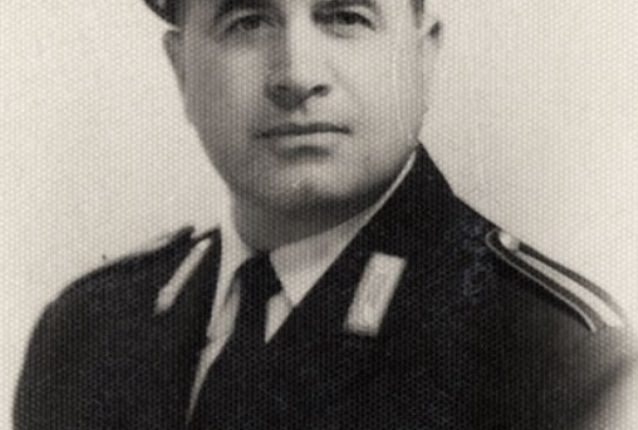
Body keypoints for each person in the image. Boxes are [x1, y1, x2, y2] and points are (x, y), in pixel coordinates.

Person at [13, 0, 636, 429]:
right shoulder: (85, 334)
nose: (297, 75)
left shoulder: (560, 366)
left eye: (345, 16)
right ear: (181, 71)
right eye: (247, 20)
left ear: (422, 58)